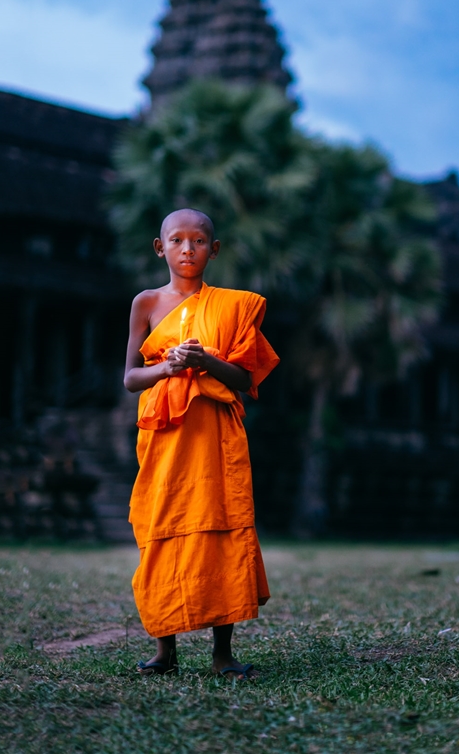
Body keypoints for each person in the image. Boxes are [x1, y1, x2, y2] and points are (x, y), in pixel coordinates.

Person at [123, 208, 279, 678]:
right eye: (177, 241)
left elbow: (244, 378)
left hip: (214, 435)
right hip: (166, 437)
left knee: (221, 528)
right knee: (161, 528)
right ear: (160, 247)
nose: (187, 249)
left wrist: (205, 362)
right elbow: (131, 378)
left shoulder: (234, 307)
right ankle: (164, 649)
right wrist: (170, 367)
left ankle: (222, 654)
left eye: (198, 241)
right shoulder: (146, 303)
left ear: (215, 249)